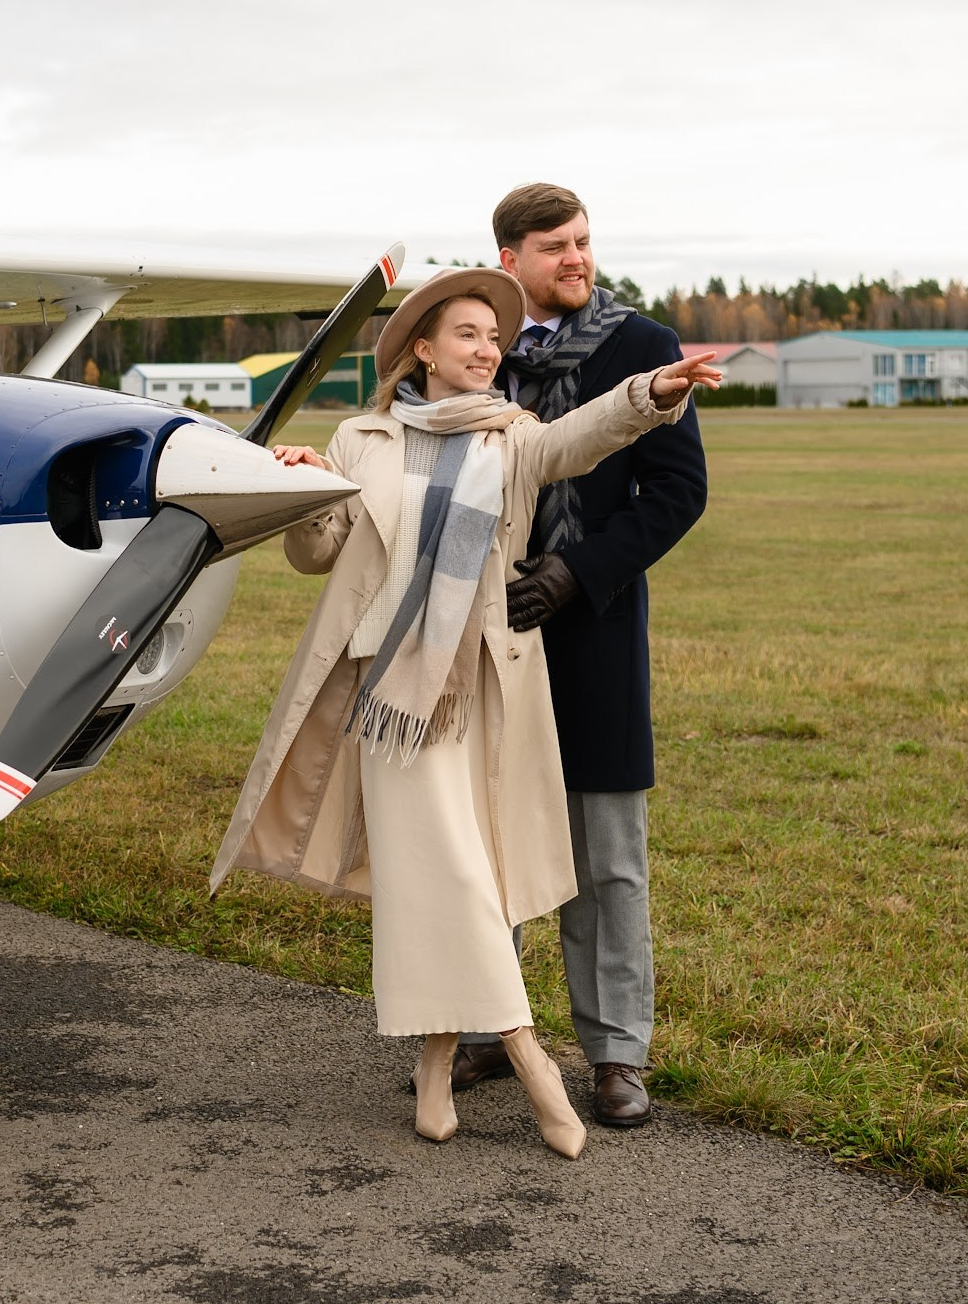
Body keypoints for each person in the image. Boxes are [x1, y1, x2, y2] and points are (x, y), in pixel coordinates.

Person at [210, 266, 720, 1156]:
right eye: (469, 337)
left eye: (495, 337)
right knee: (440, 876)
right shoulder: (361, 439)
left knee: (461, 878)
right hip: (387, 698)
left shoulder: (513, 437)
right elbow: (318, 551)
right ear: (423, 350)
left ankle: (440, 1068)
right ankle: (533, 1066)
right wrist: (302, 488)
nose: (488, 351)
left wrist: (650, 394)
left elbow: (584, 438)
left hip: (477, 690)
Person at [448, 183, 711, 1129]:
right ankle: (483, 1025)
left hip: (592, 629)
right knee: (482, 841)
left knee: (607, 856)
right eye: (555, 245)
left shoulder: (641, 347)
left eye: (585, 241)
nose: (577, 258)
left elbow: (677, 493)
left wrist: (578, 570)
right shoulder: (475, 353)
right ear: (510, 257)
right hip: (483, 633)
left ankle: (615, 1055)